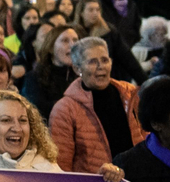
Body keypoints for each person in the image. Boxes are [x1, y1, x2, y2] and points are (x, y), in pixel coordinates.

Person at [50, 37, 146, 174]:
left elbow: (148, 141)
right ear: (77, 69)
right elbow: (62, 165)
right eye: (92, 62)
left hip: (138, 179)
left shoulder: (131, 94)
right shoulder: (65, 109)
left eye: (105, 60)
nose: (101, 66)